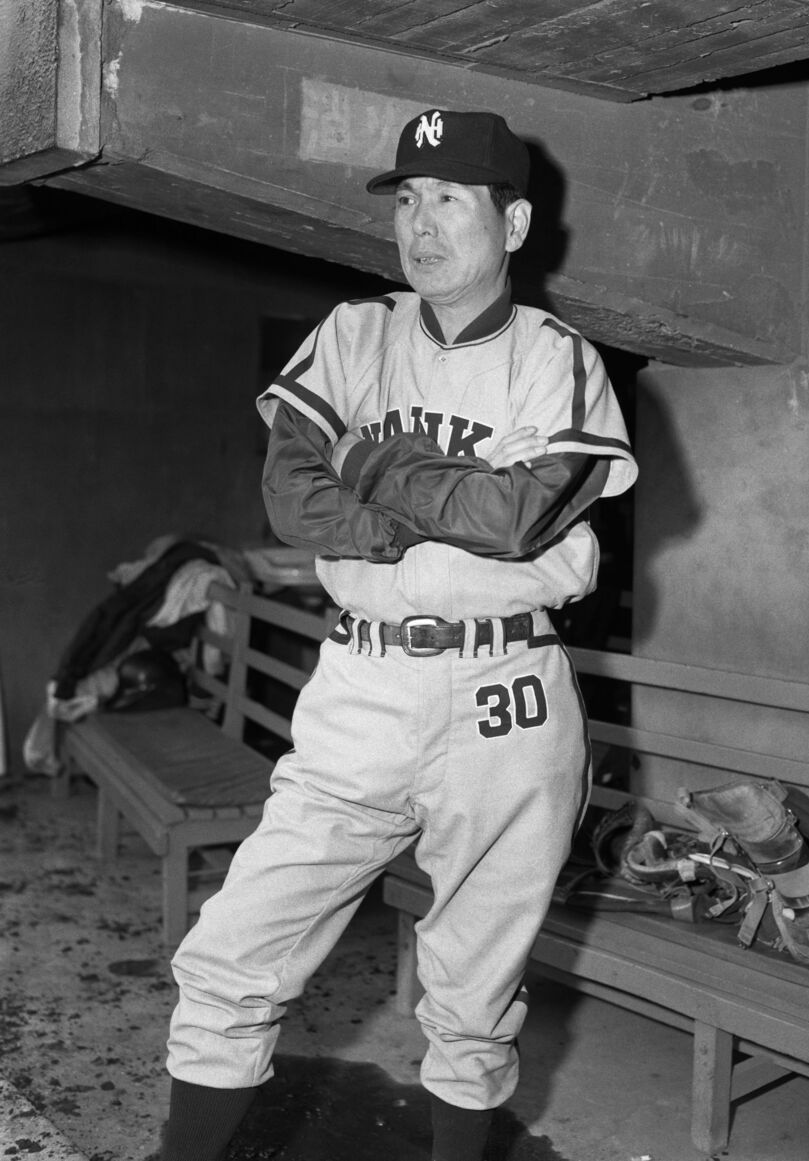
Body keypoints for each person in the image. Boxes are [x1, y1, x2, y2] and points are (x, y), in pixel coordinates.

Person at [159, 107, 638, 1161]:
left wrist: (371, 466)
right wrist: (421, 509)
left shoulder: (556, 357)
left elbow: (519, 517)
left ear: (513, 225)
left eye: (450, 200)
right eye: (408, 199)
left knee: (475, 991)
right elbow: (293, 497)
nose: (421, 225)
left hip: (506, 693)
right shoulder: (354, 333)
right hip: (365, 683)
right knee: (233, 950)